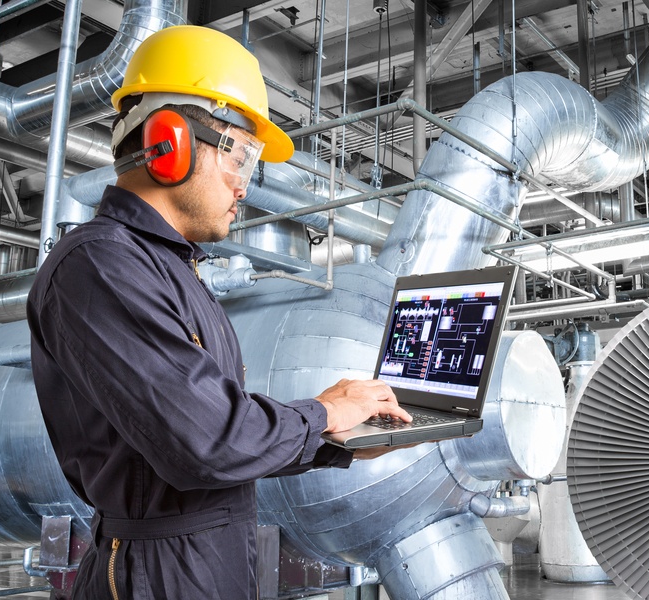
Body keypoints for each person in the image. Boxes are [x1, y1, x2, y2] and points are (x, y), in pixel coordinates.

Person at [26, 25, 411, 599]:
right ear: (169, 141)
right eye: (240, 157)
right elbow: (206, 441)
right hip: (156, 576)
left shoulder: (170, 270)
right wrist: (322, 415)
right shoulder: (100, 268)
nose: (245, 187)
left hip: (203, 561)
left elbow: (216, 423)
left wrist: (337, 437)